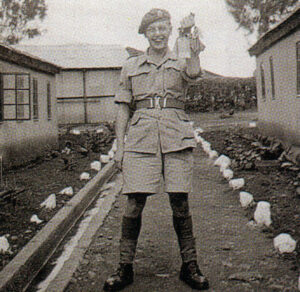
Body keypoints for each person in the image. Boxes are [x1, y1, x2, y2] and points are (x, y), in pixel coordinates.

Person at [103, 8, 209, 291]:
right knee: (134, 202)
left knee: (180, 201)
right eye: (153, 29)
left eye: (164, 28)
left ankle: (190, 266)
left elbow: (194, 71)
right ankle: (124, 268)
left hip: (175, 135)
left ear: (170, 30)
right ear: (145, 34)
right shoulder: (131, 65)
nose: (159, 34)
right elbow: (123, 108)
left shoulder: (181, 56)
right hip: (141, 138)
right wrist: (120, 146)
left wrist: (188, 36)